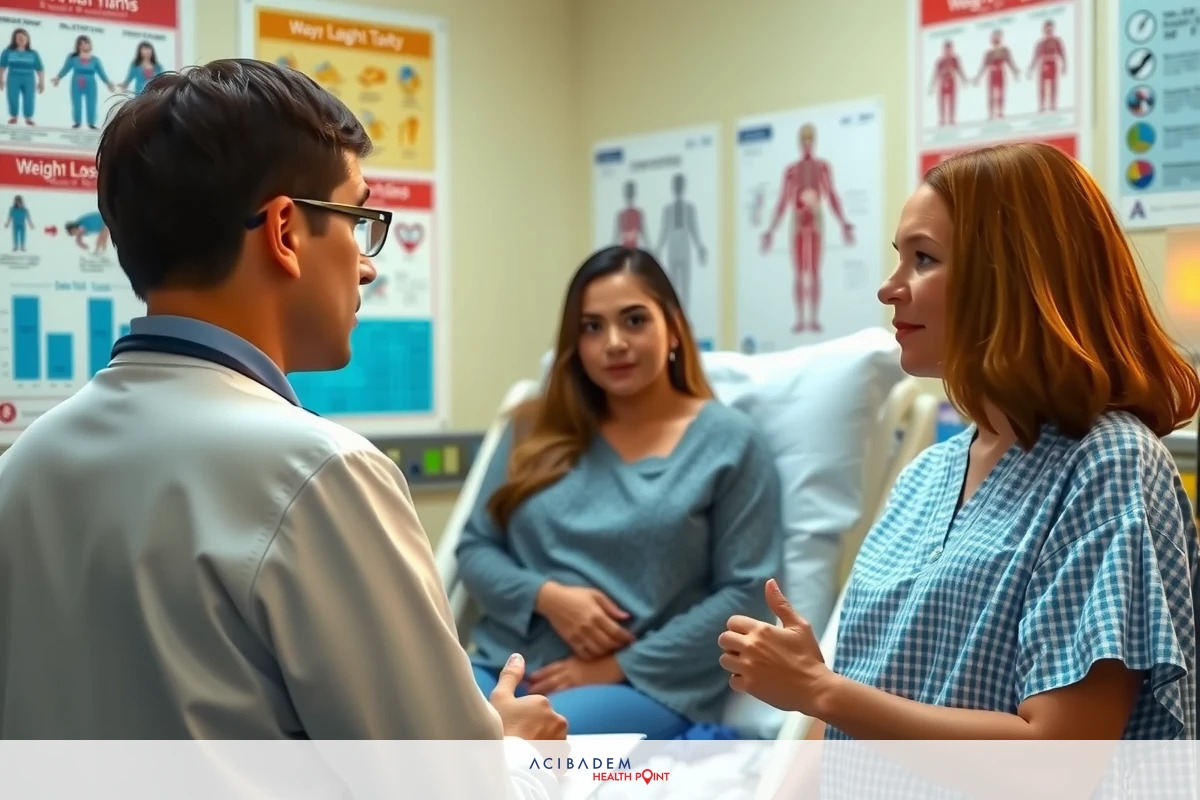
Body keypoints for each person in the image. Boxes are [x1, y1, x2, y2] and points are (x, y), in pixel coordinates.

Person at [0, 59, 565, 794]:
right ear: (286, 231)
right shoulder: (317, 473)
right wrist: (511, 752)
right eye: (359, 221)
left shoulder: (27, 464)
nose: (365, 268)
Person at [721, 144, 1199, 755]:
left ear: (1017, 279)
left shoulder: (1108, 465)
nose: (889, 289)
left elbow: (1057, 759)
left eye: (924, 259)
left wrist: (818, 690)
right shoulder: (926, 476)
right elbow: (846, 711)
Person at [458, 245, 784, 739]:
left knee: (522, 755)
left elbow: (745, 594)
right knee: (419, 736)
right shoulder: (533, 429)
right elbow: (476, 547)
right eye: (592, 327)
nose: (614, 343)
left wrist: (619, 665)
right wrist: (547, 598)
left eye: (634, 321)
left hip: (643, 685)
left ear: (672, 328)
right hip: (505, 666)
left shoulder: (730, 445)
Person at [760, 123, 854, 334]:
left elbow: (831, 195)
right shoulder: (792, 170)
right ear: (799, 142)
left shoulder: (822, 167)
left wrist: (843, 223)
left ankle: (813, 318)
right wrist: (771, 231)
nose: (807, 144)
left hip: (816, 219)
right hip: (798, 220)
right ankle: (801, 318)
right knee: (800, 271)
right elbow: (783, 200)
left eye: (810, 139)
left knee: (814, 271)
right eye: (804, 139)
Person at [655, 173, 707, 313]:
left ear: (683, 187)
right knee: (673, 285)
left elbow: (694, 229)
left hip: (685, 247)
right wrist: (658, 249)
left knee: (685, 284)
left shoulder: (689, 208)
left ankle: (685, 316)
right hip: (672, 248)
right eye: (676, 185)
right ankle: (674, 315)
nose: (678, 188)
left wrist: (700, 248)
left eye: (680, 185)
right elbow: (664, 231)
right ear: (673, 188)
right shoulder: (668, 209)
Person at [50, 35, 113, 130]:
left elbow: (101, 73)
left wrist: (108, 83)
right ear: (78, 46)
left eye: (85, 43)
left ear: (89, 45)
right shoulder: (73, 58)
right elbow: (65, 69)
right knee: (76, 103)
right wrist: (58, 78)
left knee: (91, 102)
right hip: (76, 83)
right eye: (81, 44)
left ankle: (91, 123)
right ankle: (77, 122)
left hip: (91, 83)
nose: (83, 45)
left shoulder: (95, 60)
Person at [0, 28, 43, 125]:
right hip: (13, 78)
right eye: (18, 38)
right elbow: (2, 66)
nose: (21, 40)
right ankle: (14, 116)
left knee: (29, 98)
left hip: (29, 79)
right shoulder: (8, 52)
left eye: (23, 38)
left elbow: (40, 69)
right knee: (12, 97)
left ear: (27, 39)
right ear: (14, 39)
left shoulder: (33, 53)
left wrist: (41, 82)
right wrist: (0, 78)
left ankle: (28, 118)